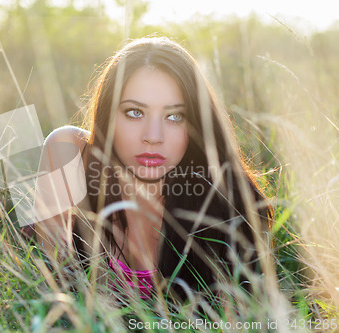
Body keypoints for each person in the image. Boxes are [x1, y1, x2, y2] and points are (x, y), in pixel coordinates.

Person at [31, 36, 273, 302]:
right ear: (108, 115)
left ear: (195, 125)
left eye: (174, 117)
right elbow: (54, 284)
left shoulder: (227, 201)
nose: (153, 136)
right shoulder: (70, 152)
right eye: (135, 112)